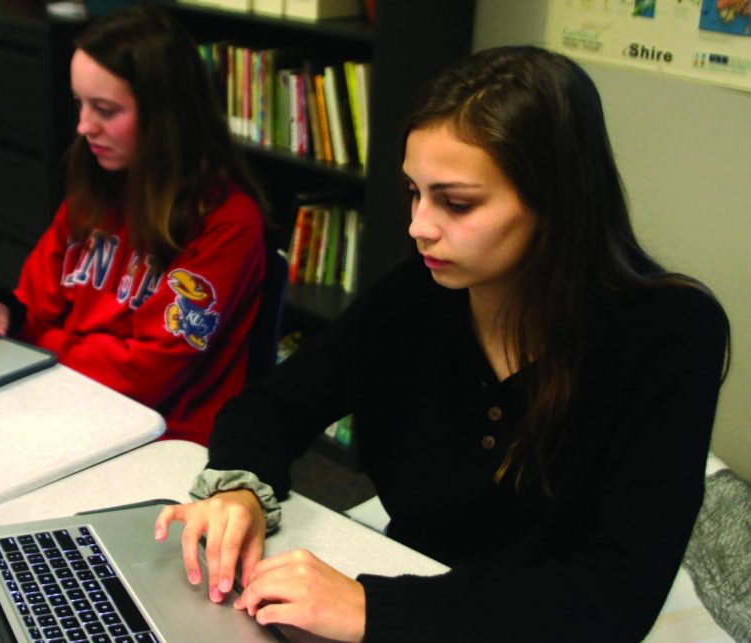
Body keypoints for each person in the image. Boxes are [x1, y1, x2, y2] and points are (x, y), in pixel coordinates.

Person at [154, 45, 731, 642]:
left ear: (557, 203)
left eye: (456, 203)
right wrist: (241, 490)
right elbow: (272, 406)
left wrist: (372, 610)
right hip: (417, 588)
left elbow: (612, 598)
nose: (419, 226)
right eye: (414, 192)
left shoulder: (671, 332)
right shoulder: (420, 292)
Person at [0, 4, 266, 444]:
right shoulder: (99, 182)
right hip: (68, 401)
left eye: (106, 110)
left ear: (165, 116)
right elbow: (36, 302)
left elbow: (144, 376)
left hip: (154, 438)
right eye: (80, 103)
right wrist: (4, 311)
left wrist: (42, 343)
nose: (84, 126)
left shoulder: (228, 222)